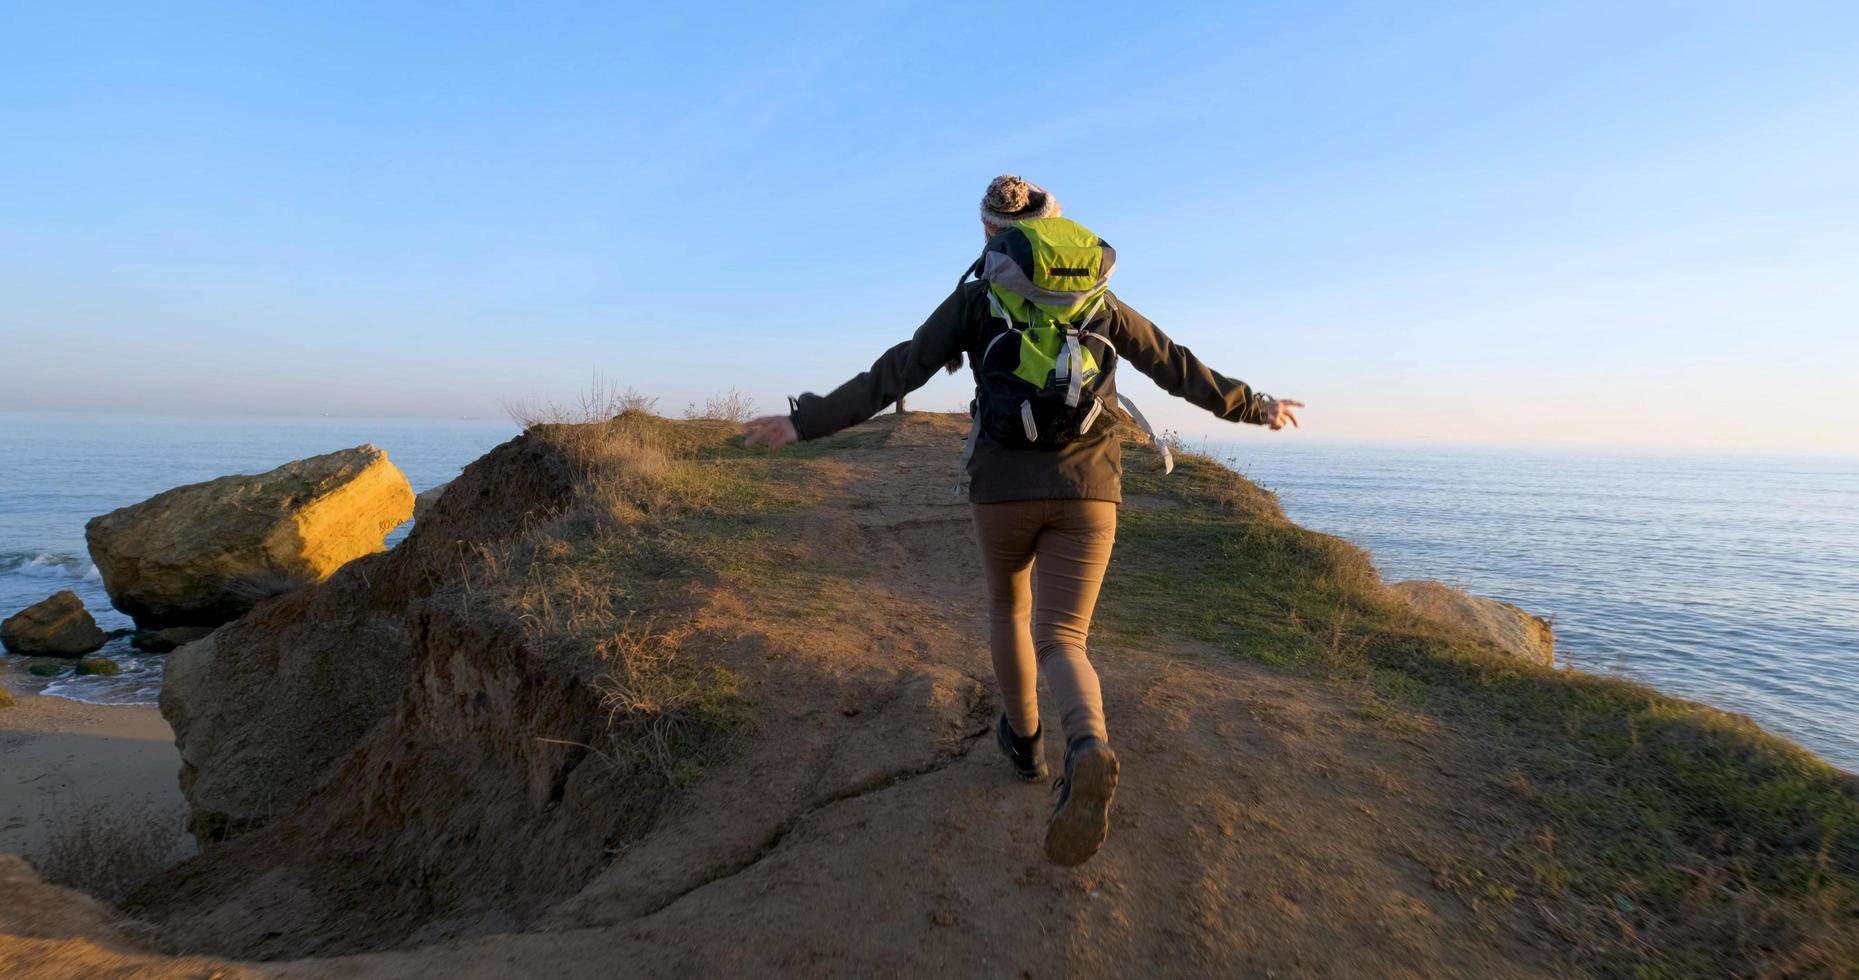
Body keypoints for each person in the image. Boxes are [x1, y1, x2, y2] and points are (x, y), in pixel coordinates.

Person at [743, 175, 1302, 866]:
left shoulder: (979, 298)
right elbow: (1175, 367)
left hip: (1001, 487)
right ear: (1056, 226)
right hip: (1090, 489)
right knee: (1065, 635)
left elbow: (900, 370)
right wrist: (1258, 405)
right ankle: (1089, 743)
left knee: (1009, 610)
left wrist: (805, 422)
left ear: (991, 233)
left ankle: (1024, 743)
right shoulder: (1101, 300)